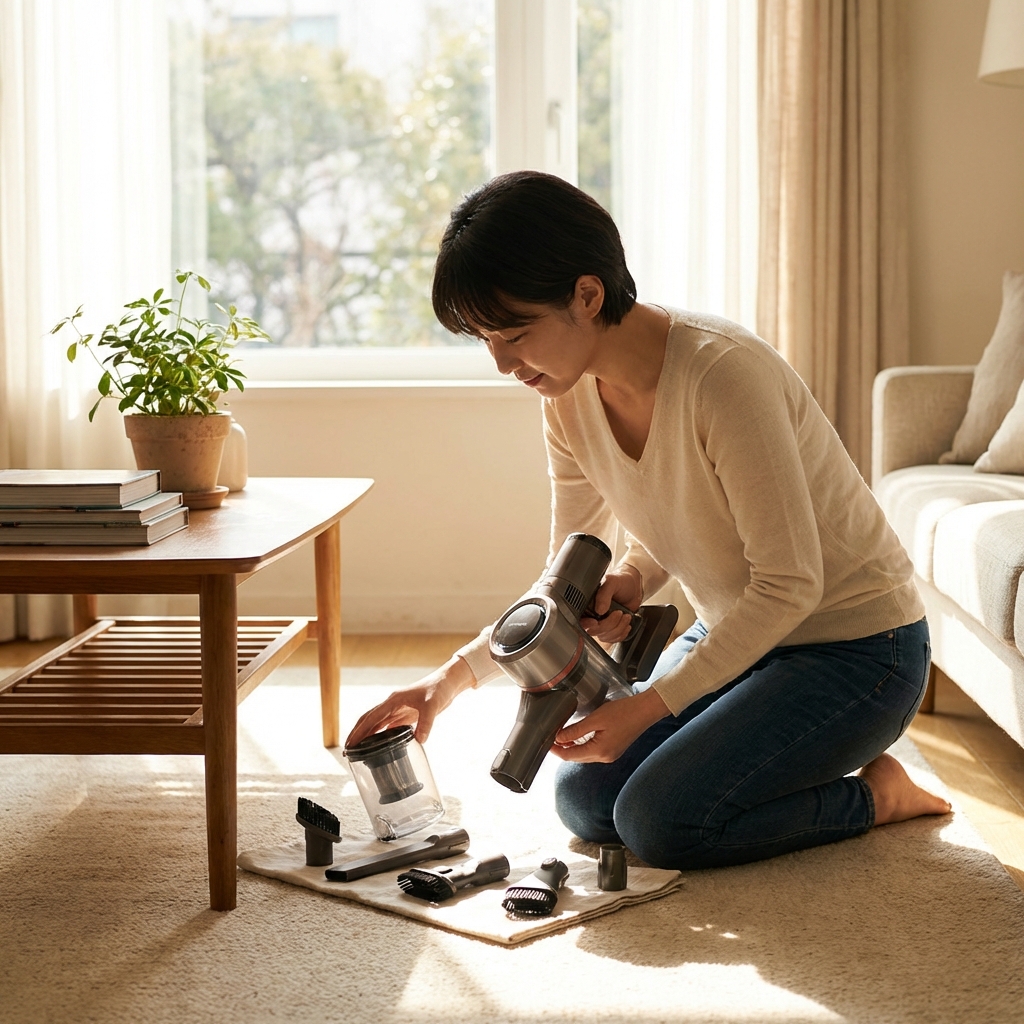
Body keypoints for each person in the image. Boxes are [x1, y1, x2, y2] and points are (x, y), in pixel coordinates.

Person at [346, 170, 950, 870]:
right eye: (484, 339)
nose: (503, 363)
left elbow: (791, 584)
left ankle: (880, 795)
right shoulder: (566, 398)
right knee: (584, 800)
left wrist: (649, 705)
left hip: (859, 651)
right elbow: (560, 585)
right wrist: (443, 685)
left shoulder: (724, 378)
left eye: (513, 333)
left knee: (660, 823)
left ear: (588, 294)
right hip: (741, 635)